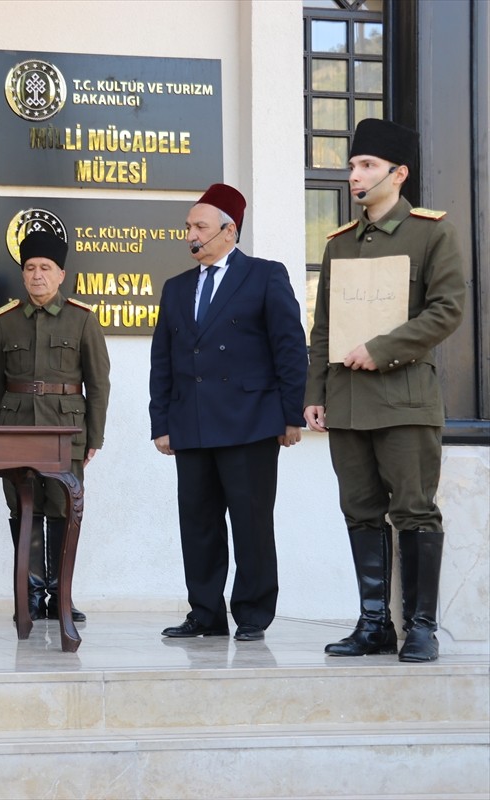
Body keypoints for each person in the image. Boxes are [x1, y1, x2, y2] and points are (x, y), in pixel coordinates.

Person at [306, 119, 466, 662]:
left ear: (399, 174)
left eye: (368, 165)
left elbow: (447, 310)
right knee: (360, 512)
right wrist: (316, 391)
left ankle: (420, 626)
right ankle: (374, 624)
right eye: (353, 165)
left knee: (415, 511)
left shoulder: (432, 233)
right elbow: (322, 327)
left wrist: (383, 347)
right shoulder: (340, 244)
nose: (355, 175)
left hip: (405, 400)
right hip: (348, 403)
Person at [149, 183, 307, 642]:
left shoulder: (264, 275)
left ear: (228, 230)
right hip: (192, 423)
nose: (190, 236)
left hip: (251, 422)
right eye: (187, 227)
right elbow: (164, 360)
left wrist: (290, 414)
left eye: (199, 226)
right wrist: (162, 423)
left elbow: (289, 347)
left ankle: (253, 614)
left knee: (251, 523)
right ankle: (205, 613)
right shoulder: (176, 288)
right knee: (197, 525)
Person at [0, 230, 110, 622]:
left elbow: (99, 382)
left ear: (61, 274)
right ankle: (32, 593)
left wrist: (95, 438)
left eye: (45, 268)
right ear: (23, 275)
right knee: (23, 508)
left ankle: (61, 594)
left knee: (63, 507)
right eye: (30, 268)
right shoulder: (6, 323)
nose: (37, 275)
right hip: (16, 429)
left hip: (64, 432)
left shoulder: (82, 320)